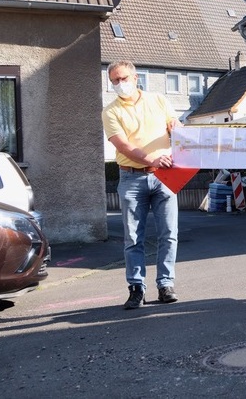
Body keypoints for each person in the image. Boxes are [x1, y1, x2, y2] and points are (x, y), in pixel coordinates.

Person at [102, 61, 183, 309]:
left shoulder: (158, 100)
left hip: (165, 175)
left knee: (169, 234)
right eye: (114, 81)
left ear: (136, 77)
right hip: (131, 177)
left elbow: (176, 127)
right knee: (133, 238)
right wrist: (151, 159)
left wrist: (176, 128)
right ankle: (136, 288)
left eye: (123, 78)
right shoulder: (110, 111)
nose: (119, 84)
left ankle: (165, 284)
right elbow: (123, 145)